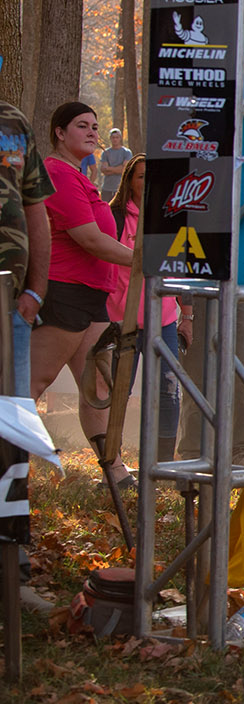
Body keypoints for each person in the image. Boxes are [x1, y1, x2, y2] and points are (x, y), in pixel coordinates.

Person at [30, 102, 135, 484]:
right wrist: (143, 261)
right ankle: (10, 468)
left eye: (94, 126)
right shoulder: (57, 173)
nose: (92, 132)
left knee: (98, 384)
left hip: (93, 298)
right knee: (33, 384)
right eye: (81, 126)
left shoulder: (80, 176)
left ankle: (114, 469)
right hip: (64, 293)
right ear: (59, 132)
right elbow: (89, 239)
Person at [106, 156, 184, 459]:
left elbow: (181, 268)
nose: (147, 182)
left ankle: (162, 461)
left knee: (168, 391)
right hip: (119, 320)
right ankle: (111, 458)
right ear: (129, 181)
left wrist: (186, 316)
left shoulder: (170, 217)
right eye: (141, 176)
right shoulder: (113, 216)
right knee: (117, 392)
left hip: (163, 321)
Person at [0, 103, 50, 398]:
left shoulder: (13, 122)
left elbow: (35, 207)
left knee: (12, 419)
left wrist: (36, 291)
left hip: (12, 304)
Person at [97, 129, 130, 199]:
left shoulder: (126, 152)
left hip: (121, 188)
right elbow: (104, 170)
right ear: (110, 138)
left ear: (120, 138)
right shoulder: (105, 152)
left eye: (117, 137)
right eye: (113, 137)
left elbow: (124, 169)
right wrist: (118, 169)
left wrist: (109, 168)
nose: (115, 139)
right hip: (107, 188)